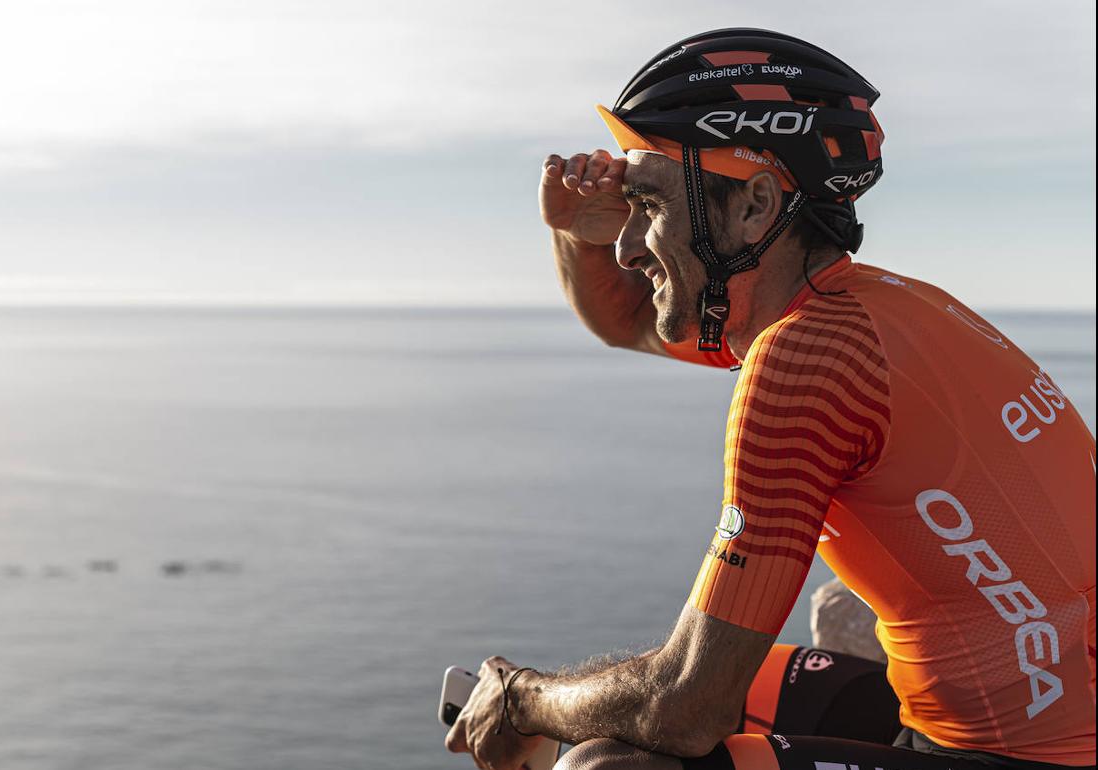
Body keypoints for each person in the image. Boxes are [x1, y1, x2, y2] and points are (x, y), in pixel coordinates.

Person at [445, 28, 1096, 770]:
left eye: (648, 205)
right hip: (995, 709)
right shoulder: (874, 306)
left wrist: (520, 697)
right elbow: (627, 321)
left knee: (605, 763)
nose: (626, 247)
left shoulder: (806, 360)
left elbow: (684, 707)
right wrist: (573, 234)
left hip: (1033, 756)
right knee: (616, 688)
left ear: (755, 204)